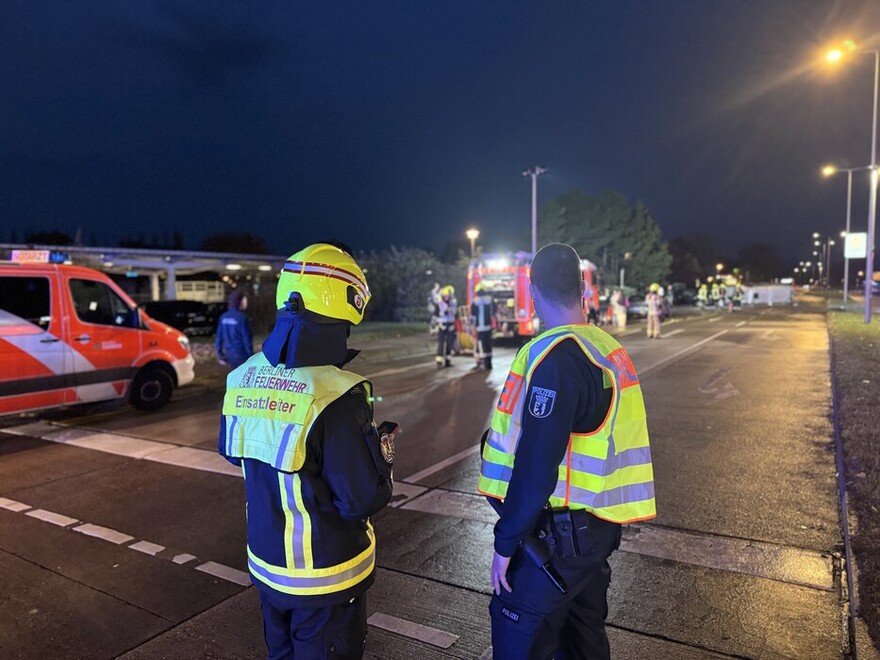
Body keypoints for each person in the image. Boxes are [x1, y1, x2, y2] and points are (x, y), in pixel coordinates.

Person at [478, 243, 656, 660]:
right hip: (593, 537)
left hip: (554, 543)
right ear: (582, 289)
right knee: (583, 644)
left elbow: (537, 466)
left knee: (520, 640)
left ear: (533, 291)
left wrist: (505, 546)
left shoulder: (555, 358)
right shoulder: (608, 351)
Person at [218, 243, 394, 659]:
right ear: (343, 306)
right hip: (326, 579)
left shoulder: (241, 378)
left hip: (266, 569)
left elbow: (235, 453)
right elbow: (362, 499)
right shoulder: (337, 396)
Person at [214, 290, 254, 368]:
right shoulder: (242, 318)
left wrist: (220, 354)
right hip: (242, 354)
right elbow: (246, 338)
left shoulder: (223, 317)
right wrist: (251, 355)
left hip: (229, 354)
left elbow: (219, 337)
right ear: (240, 301)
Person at [470, 283, 496, 370]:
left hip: (479, 328)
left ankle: (482, 364)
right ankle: (489, 364)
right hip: (488, 327)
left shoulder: (475, 301)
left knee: (481, 345)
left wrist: (472, 327)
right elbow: (494, 312)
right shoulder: (490, 300)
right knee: (488, 345)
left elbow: (473, 316)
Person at [435, 285, 457, 368]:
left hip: (450, 325)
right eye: (445, 296)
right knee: (441, 344)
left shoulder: (453, 303)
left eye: (448, 296)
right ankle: (439, 362)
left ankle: (448, 361)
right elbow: (436, 314)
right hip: (442, 326)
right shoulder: (440, 304)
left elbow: (455, 313)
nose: (447, 297)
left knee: (449, 344)